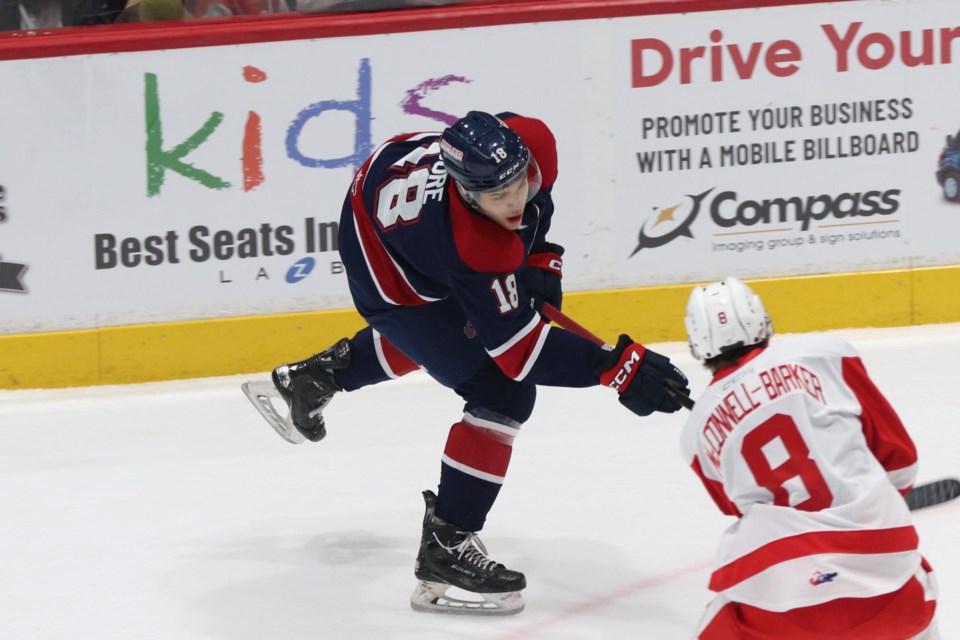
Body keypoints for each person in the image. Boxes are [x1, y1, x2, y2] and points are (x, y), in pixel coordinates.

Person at [267, 110, 690, 615]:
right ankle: (446, 544)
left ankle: (320, 375)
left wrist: (538, 257)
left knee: (458, 335)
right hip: (379, 256)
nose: (514, 202)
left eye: (517, 184)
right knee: (500, 391)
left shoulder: (532, 143)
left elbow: (535, 194)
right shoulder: (473, 246)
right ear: (467, 192)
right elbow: (521, 356)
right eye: (496, 197)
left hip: (389, 179)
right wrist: (616, 367)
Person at [681, 277, 938, 639]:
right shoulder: (827, 354)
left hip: (781, 597)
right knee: (915, 593)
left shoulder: (694, 434)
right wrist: (875, 503)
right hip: (883, 575)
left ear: (697, 343)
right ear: (760, 317)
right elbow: (900, 460)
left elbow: (736, 505)